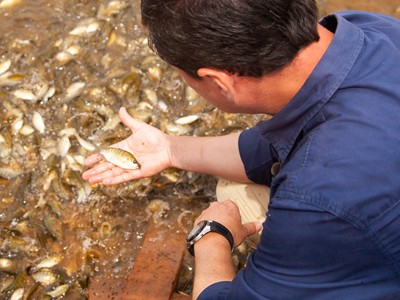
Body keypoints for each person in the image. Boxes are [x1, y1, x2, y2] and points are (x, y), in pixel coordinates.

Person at [82, 0, 400, 299]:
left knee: (232, 198)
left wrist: (212, 235)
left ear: (218, 82)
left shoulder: (317, 197)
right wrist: (170, 149)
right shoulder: (368, 28)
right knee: (234, 184)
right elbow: (272, 146)